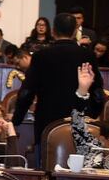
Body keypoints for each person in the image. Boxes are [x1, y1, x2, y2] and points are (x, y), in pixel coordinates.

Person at [12, 13, 103, 145]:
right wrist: (93, 114)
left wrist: (17, 119)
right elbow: (98, 92)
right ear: (75, 32)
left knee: (46, 155)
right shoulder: (87, 55)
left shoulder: (41, 56)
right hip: (79, 120)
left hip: (47, 120)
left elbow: (26, 92)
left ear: (53, 31)